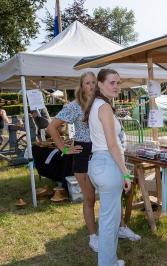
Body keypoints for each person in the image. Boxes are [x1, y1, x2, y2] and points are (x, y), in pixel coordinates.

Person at [84, 69, 139, 266]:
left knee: (110, 220)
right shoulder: (104, 107)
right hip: (107, 164)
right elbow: (112, 144)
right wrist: (126, 173)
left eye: (118, 82)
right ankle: (107, 263)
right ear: (99, 84)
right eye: (111, 82)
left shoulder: (99, 105)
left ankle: (109, 260)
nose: (116, 86)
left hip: (100, 164)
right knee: (109, 222)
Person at [47, 72, 99, 251]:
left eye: (94, 82)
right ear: (82, 86)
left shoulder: (102, 103)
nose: (91, 86)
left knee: (110, 194)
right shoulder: (75, 106)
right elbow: (51, 127)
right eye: (87, 83)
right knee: (90, 197)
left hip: (101, 151)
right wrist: (64, 148)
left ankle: (121, 227)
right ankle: (93, 237)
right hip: (83, 151)